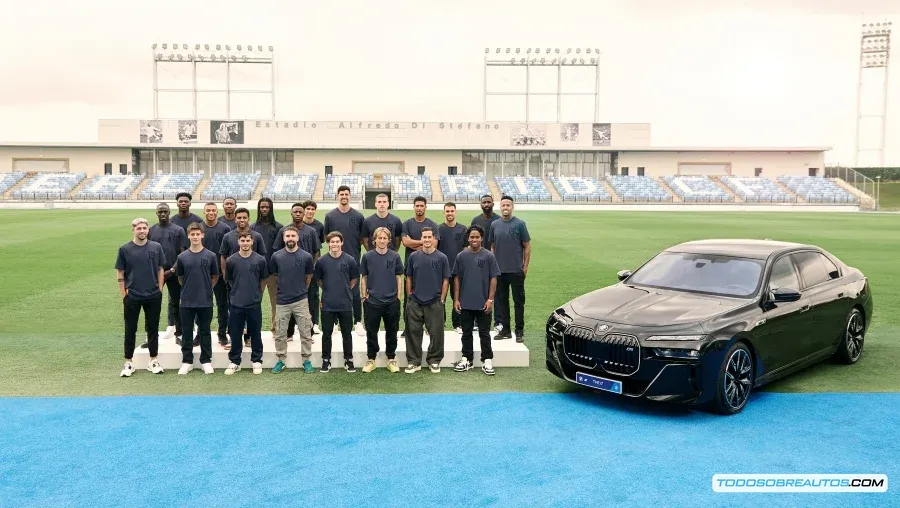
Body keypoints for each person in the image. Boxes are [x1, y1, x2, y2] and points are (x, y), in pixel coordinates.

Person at [115, 217, 166, 377]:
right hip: (133, 295)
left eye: (144, 228)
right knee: (130, 329)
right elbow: (120, 273)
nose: (142, 231)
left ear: (148, 230)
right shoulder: (124, 249)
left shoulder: (156, 247)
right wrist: (124, 295)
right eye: (139, 228)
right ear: (133, 230)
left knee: (152, 328)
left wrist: (159, 289)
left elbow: (160, 269)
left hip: (153, 295)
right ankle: (129, 362)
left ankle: (153, 360)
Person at [452, 225, 500, 376]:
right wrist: (457, 299)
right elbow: (457, 279)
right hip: (466, 302)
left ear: (481, 238)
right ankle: (467, 359)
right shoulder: (461, 256)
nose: (474, 239)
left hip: (483, 303)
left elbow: (493, 278)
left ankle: (487, 360)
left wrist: (490, 299)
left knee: (484, 333)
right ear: (468, 238)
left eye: (477, 237)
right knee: (466, 332)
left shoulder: (488, 256)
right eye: (471, 237)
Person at [269, 226, 315, 374]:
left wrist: (301, 291)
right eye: (287, 236)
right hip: (282, 301)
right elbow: (276, 276)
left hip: (301, 300)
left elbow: (308, 277)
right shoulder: (276, 256)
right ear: (283, 238)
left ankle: (306, 359)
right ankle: (281, 360)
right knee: (281, 332)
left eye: (292, 236)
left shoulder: (306, 256)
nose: (290, 239)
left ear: (297, 238)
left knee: (305, 331)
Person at [404, 227, 450, 374]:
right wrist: (410, 296)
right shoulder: (413, 257)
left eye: (430, 237)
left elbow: (445, 280)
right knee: (413, 332)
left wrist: (442, 299)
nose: (427, 240)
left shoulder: (442, 257)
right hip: (416, 301)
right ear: (421, 238)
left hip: (434, 301)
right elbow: (409, 277)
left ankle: (434, 360)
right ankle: (414, 361)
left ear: (433, 238)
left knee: (436, 333)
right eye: (424, 237)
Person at [219, 207, 267, 348]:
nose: (241, 220)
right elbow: (223, 256)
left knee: (252, 310)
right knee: (233, 309)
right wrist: (225, 275)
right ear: (235, 219)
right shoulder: (228, 236)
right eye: (239, 218)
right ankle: (234, 338)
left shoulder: (256, 236)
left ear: (248, 219)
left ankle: (249, 338)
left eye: (244, 217)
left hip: (252, 280)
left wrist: (259, 285)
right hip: (234, 279)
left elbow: (262, 257)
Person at [176, 223, 220, 375]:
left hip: (205, 300)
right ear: (188, 236)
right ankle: (186, 361)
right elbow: (181, 278)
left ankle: (206, 360)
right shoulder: (182, 257)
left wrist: (206, 288)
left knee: (205, 331)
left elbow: (215, 276)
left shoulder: (211, 256)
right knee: (187, 332)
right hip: (187, 300)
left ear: (202, 235)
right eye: (192, 234)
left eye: (198, 234)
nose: (195, 237)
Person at [275, 202, 322, 339]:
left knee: (309, 303)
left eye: (300, 212)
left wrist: (311, 269)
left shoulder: (311, 231)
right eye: (295, 211)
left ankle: (309, 332)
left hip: (307, 274)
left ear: (303, 214)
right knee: (288, 303)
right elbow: (278, 252)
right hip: (289, 275)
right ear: (291, 213)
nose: (297, 214)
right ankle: (289, 333)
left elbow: (316, 252)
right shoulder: (284, 231)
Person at [224, 232, 270, 375]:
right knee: (236, 334)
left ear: (252, 242)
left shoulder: (260, 260)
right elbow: (230, 280)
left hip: (254, 303)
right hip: (236, 303)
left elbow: (263, 281)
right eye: (242, 240)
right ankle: (235, 361)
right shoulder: (231, 260)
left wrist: (257, 295)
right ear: (239, 242)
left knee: (255, 333)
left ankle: (256, 360)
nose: (245, 243)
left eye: (247, 240)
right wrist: (237, 293)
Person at [359, 227, 404, 373]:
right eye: (379, 238)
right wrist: (364, 296)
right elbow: (364, 278)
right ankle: (371, 359)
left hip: (391, 301)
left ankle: (391, 358)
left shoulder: (395, 256)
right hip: (372, 301)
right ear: (374, 240)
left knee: (392, 330)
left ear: (389, 241)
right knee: (371, 332)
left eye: (385, 238)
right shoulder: (367, 257)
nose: (382, 241)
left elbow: (399, 277)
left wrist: (398, 296)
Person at [315, 231, 360, 373]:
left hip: (345, 303)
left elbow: (354, 279)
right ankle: (326, 360)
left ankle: (348, 359)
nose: (334, 244)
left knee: (347, 334)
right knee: (326, 334)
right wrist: (329, 290)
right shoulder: (321, 261)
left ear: (341, 243)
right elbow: (319, 280)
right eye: (332, 242)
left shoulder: (350, 260)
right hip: (328, 304)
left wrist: (345, 289)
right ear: (328, 244)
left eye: (337, 241)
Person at [323, 185, 366, 335]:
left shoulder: (358, 216)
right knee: (335, 291)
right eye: (341, 194)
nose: (344, 196)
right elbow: (326, 238)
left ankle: (358, 322)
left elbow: (362, 238)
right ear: (337, 196)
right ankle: (335, 323)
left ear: (350, 196)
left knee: (354, 292)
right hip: (334, 261)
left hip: (353, 259)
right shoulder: (330, 216)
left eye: (346, 194)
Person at [489, 195, 531, 343]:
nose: (505, 207)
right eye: (503, 205)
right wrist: (493, 266)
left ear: (512, 207)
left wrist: (525, 267)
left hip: (516, 270)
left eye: (508, 205)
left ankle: (519, 331)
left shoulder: (520, 224)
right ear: (500, 207)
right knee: (502, 302)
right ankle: (506, 330)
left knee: (518, 302)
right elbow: (492, 246)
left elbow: (527, 246)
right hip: (500, 271)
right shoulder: (494, 225)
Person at [147, 202, 187, 347]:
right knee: (152, 304)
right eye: (160, 212)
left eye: (165, 211)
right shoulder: (151, 230)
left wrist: (173, 270)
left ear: (170, 212)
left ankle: (180, 333)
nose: (163, 214)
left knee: (176, 304)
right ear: (156, 213)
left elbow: (182, 254)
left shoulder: (178, 230)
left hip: (174, 272)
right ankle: (151, 336)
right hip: (156, 273)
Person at [400, 196, 440, 337]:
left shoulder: (433, 225)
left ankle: (429, 327)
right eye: (417, 205)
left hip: (429, 270)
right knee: (409, 298)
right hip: (411, 268)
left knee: (429, 298)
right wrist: (424, 242)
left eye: (421, 206)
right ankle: (408, 327)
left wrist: (414, 242)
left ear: (425, 207)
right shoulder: (407, 224)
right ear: (414, 207)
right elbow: (405, 242)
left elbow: (434, 245)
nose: (419, 208)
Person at [201, 202, 234, 347]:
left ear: (217, 211)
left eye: (213, 210)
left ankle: (222, 334)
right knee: (201, 305)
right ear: (204, 212)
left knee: (222, 305)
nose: (211, 213)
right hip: (201, 273)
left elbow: (227, 252)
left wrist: (226, 271)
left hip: (219, 273)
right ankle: (201, 333)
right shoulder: (199, 228)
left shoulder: (225, 228)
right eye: (208, 210)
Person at [250, 197, 283, 334]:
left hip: (273, 273)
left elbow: (281, 251)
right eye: (262, 207)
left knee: (276, 303)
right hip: (256, 273)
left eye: (267, 207)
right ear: (259, 208)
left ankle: (276, 330)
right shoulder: (252, 227)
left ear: (271, 208)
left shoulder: (279, 228)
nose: (264, 209)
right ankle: (252, 331)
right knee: (253, 302)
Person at [470, 194, 501, 331]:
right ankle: (477, 321)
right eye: (484, 202)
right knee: (479, 290)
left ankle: (498, 322)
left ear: (493, 203)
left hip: (494, 261)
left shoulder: (498, 220)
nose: (486, 204)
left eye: (489, 202)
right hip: (478, 261)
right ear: (481, 204)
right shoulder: (476, 220)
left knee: (496, 292)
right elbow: (471, 240)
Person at [437, 202, 468, 333]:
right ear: (444, 212)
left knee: (458, 297)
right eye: (447, 211)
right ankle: (439, 323)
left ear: (456, 212)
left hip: (458, 270)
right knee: (440, 297)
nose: (450, 213)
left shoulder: (463, 229)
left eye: (452, 211)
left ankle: (457, 324)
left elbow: (466, 250)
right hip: (442, 270)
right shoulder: (438, 229)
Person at [301, 200, 325, 335]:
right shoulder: (297, 225)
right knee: (299, 294)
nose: (310, 211)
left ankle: (315, 323)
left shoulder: (319, 226)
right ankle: (301, 323)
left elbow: (318, 244)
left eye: (312, 209)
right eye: (308, 209)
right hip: (298, 266)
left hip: (315, 265)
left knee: (314, 294)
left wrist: (314, 264)